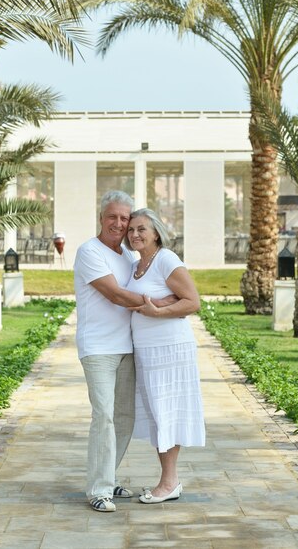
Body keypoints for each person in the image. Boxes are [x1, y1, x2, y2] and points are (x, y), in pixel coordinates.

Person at [74, 191, 177, 513]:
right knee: (103, 416)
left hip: (128, 346)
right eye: (112, 217)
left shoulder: (129, 257)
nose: (119, 224)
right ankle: (99, 490)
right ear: (101, 218)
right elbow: (116, 296)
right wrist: (162, 303)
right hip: (98, 348)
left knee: (123, 418)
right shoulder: (89, 251)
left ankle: (106, 477)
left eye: (125, 219)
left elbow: (155, 284)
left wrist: (171, 299)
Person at [125, 208, 205, 504]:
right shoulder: (136, 265)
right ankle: (168, 480)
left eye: (141, 229)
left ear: (156, 232)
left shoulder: (166, 259)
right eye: (131, 229)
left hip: (170, 349)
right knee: (158, 414)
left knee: (166, 413)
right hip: (146, 350)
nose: (134, 234)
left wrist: (158, 311)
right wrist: (156, 303)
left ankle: (169, 482)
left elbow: (192, 302)